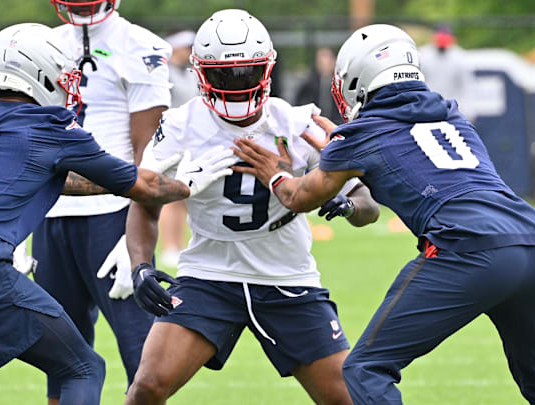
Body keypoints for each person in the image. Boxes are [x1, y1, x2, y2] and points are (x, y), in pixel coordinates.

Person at [233, 24, 535, 405]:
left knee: (364, 369)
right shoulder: (453, 117)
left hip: (466, 248)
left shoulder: (359, 136)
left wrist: (276, 173)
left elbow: (299, 197)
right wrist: (346, 158)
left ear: (357, 78)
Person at [0, 22, 232, 405]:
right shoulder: (51, 127)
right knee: (83, 368)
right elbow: (146, 186)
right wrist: (186, 183)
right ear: (39, 73)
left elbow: (42, 176)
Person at [123, 9, 380, 405]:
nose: (236, 83)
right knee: (148, 387)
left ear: (266, 70)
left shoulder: (297, 123)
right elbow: (144, 199)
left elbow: (369, 206)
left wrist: (346, 202)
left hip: (287, 275)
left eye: (246, 72)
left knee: (348, 398)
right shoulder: (179, 124)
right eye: (224, 75)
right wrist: (140, 265)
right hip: (209, 274)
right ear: (201, 74)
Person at [37, 1, 172, 402]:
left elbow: (151, 154)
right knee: (59, 358)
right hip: (51, 213)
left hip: (112, 216)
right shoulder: (42, 43)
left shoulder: (140, 45)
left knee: (143, 360)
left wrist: (136, 228)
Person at [157, 29, 197, 267]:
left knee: (183, 196)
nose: (190, 52)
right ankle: (169, 246)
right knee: (170, 196)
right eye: (186, 48)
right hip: (170, 140)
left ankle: (179, 244)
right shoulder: (164, 74)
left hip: (189, 143)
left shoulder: (190, 74)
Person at [418, 24, 476, 121]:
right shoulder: (423, 55)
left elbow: (467, 86)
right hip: (428, 108)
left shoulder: (460, 57)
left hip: (453, 110)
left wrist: (469, 111)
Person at [295, 47, 344, 124]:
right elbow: (300, 104)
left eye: (327, 60)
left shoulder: (340, 85)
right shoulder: (309, 84)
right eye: (321, 61)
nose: (324, 64)